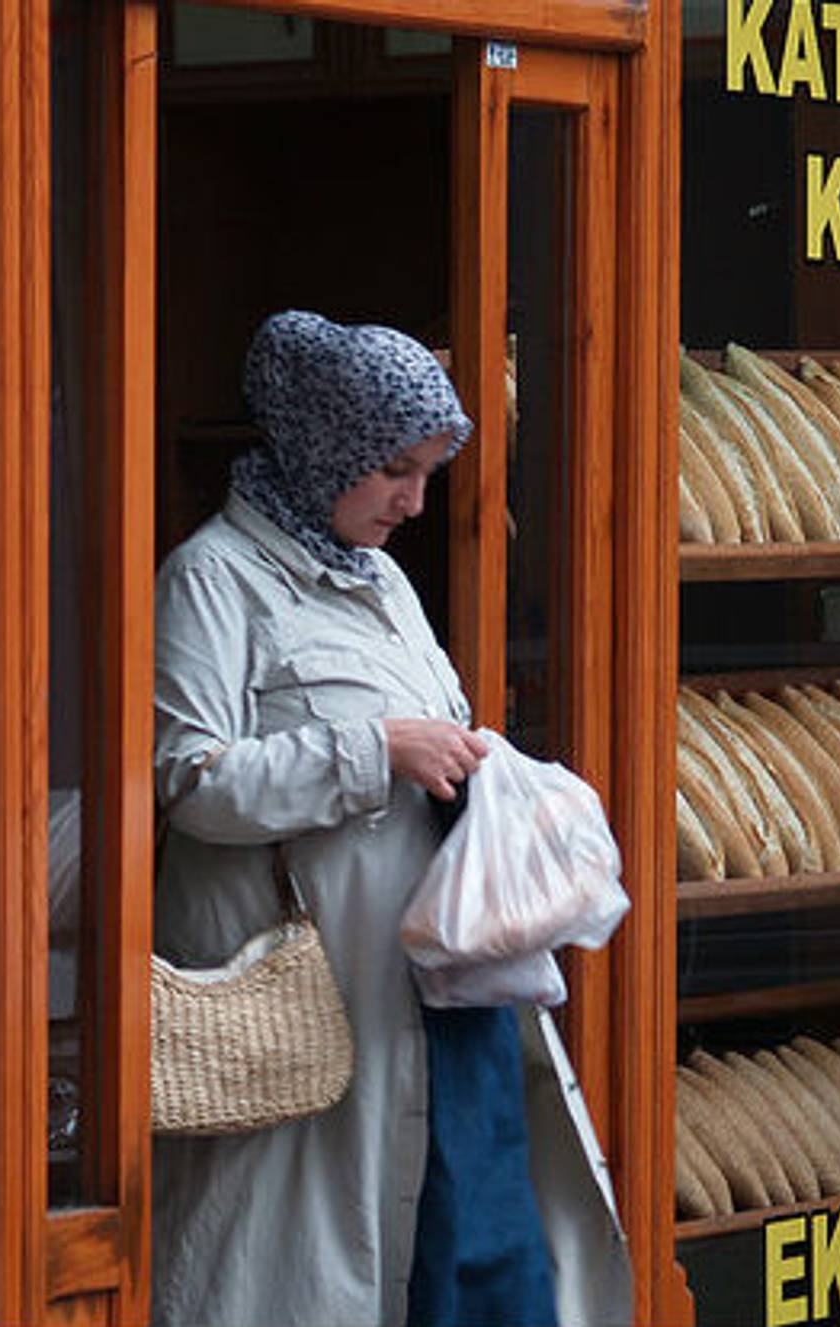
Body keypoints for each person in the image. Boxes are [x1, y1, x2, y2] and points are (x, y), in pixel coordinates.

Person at [152, 310, 560, 1326]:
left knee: (427, 1254)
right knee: (288, 1273)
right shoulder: (210, 580)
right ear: (321, 448)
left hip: (412, 997)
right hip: (290, 1003)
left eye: (427, 472)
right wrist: (374, 752)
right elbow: (187, 781)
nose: (414, 501)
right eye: (391, 469)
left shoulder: (380, 582)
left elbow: (433, 728)